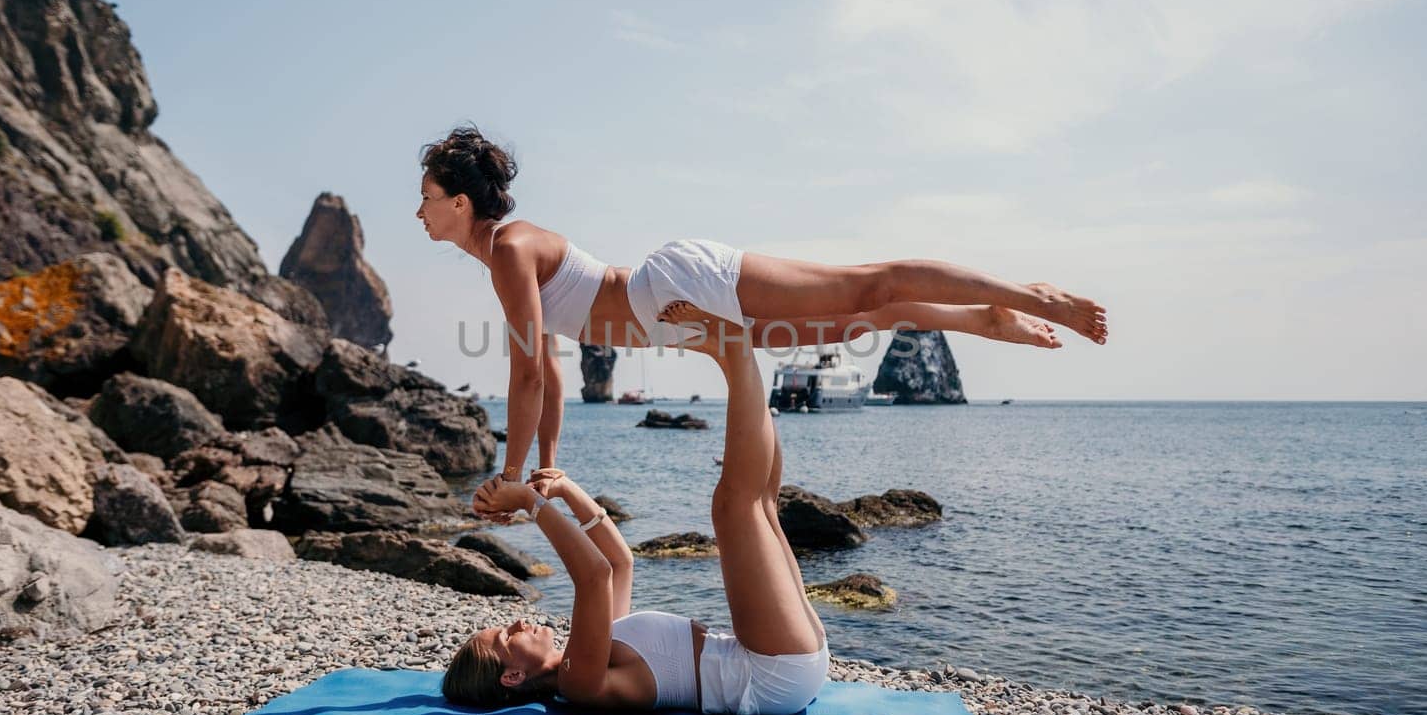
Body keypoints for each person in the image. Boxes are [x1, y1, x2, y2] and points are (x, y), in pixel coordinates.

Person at [416, 125, 1106, 484]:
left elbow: (529, 375)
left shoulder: (509, 249)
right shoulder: (506, 256)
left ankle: (1030, 293)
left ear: (460, 200)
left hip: (673, 291)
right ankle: (977, 319)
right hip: (679, 323)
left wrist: (512, 477)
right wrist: (544, 466)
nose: (418, 211)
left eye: (425, 197)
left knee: (868, 283)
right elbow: (550, 372)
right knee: (858, 317)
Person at [443, 311, 829, 715]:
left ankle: (734, 357)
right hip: (770, 675)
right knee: (734, 508)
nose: (519, 623)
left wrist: (566, 489)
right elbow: (594, 577)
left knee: (763, 503)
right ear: (512, 677)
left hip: (782, 661)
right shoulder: (577, 681)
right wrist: (529, 504)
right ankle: (735, 351)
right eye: (508, 637)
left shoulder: (590, 649)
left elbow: (618, 563)